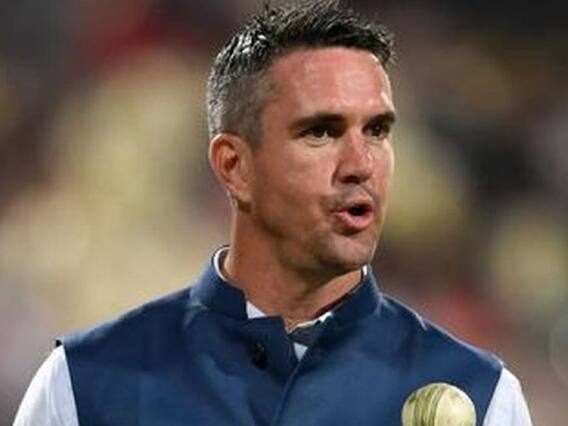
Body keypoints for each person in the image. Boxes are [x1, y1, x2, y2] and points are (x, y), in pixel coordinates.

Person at [14, 1, 533, 425]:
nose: (360, 163)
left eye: (377, 130)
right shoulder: (82, 385)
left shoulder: (478, 396)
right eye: (320, 131)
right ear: (233, 166)